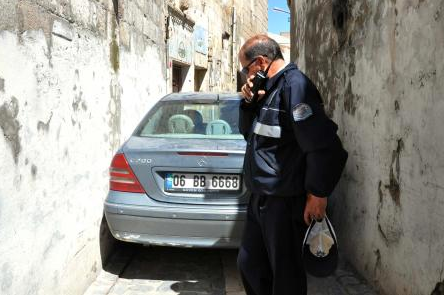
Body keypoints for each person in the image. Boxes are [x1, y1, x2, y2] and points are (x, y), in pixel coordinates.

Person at [237, 34, 348, 295]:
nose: (244, 75)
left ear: (261, 62)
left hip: (284, 202)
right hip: (260, 198)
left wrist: (318, 193)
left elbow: (324, 146)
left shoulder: (294, 87)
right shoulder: (267, 90)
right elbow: (248, 134)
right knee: (250, 265)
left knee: (286, 276)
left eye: (245, 68)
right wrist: (248, 103)